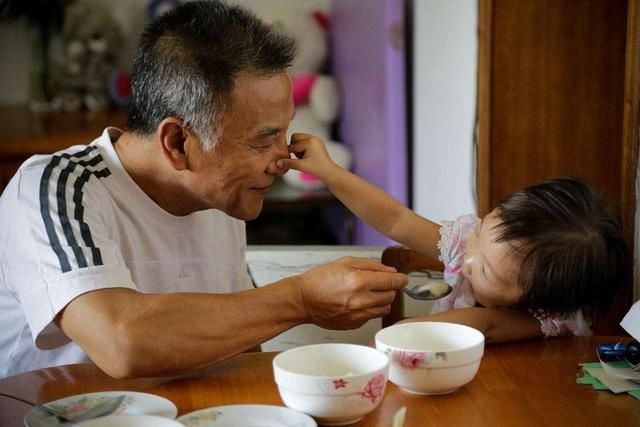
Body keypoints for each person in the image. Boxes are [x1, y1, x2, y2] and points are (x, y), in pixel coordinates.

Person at [0, 1, 408, 379]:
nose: (283, 158)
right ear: (177, 142)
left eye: (284, 133)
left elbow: (242, 347)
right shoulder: (57, 188)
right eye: (262, 141)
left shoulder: (217, 194)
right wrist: (301, 299)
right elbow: (122, 341)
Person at [277, 133, 631, 343]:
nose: (467, 260)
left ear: (538, 299)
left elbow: (483, 324)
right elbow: (397, 219)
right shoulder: (468, 249)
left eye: (488, 272)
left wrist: (396, 334)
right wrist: (329, 171)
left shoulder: (544, 318)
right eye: (480, 232)